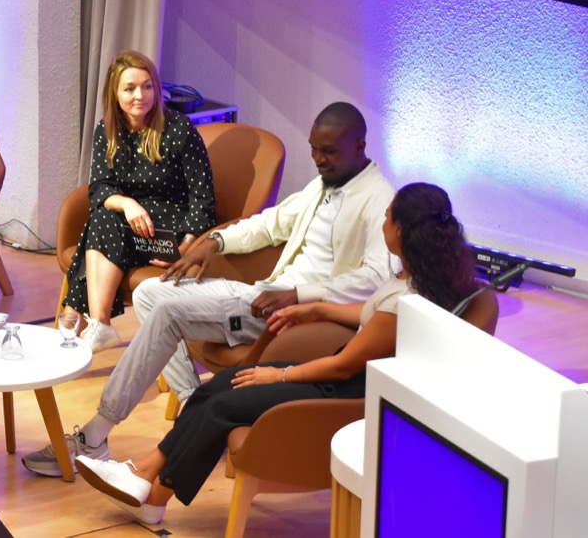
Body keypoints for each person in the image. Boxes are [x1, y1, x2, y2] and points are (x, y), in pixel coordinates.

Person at [23, 102, 395, 477]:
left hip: (291, 312)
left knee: (167, 311)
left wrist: (302, 295)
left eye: (328, 151)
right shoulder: (322, 185)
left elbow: (375, 278)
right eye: (314, 149)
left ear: (359, 146)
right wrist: (214, 242)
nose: (318, 159)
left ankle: (95, 435)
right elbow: (268, 225)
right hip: (265, 293)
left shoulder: (378, 201)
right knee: (149, 293)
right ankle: (193, 408)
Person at [75, 182, 480, 524]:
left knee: (222, 406)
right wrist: (316, 308)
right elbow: (370, 316)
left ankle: (151, 491)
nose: (382, 222)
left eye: (387, 217)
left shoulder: (404, 300)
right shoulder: (417, 280)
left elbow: (344, 366)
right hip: (345, 376)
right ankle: (146, 479)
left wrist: (279, 376)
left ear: (401, 231)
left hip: (346, 390)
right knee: (219, 385)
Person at [60, 50, 216, 353]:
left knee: (97, 227)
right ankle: (99, 323)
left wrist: (184, 249)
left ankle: (74, 318)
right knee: (102, 218)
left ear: (157, 89)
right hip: (130, 227)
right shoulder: (107, 130)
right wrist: (127, 203)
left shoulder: (179, 129)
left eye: (147, 87)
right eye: (129, 89)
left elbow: (203, 202)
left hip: (168, 234)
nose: (139, 96)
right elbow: (100, 188)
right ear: (115, 93)